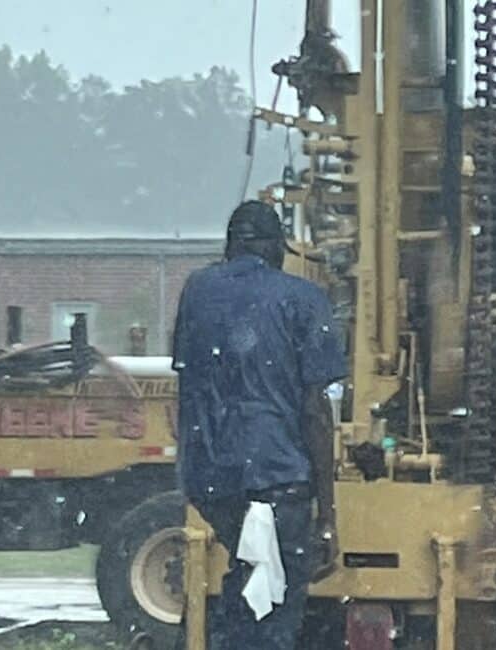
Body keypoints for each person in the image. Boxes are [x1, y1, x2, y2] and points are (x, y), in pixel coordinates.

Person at [172, 200, 347, 649]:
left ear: (230, 246)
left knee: (250, 580)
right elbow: (314, 410)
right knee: (275, 599)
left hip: (212, 480)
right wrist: (326, 515)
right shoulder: (303, 299)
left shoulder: (197, 290)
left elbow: (188, 380)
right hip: (275, 478)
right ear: (277, 248)